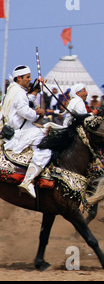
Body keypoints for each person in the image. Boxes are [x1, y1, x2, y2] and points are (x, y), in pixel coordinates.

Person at [2, 65, 51, 198]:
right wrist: (37, 112)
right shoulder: (19, 93)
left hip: (14, 128)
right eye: (27, 77)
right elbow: (25, 111)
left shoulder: (13, 90)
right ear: (19, 78)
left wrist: (35, 90)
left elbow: (24, 101)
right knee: (46, 146)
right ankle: (28, 180)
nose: (29, 79)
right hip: (19, 131)